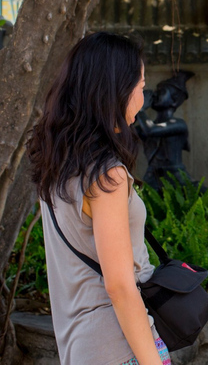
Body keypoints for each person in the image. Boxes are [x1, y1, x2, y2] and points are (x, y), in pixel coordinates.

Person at [28, 32, 169, 365]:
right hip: (119, 346)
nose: (142, 99)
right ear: (115, 91)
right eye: (141, 86)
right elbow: (120, 286)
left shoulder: (58, 166)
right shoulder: (108, 174)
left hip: (80, 345)